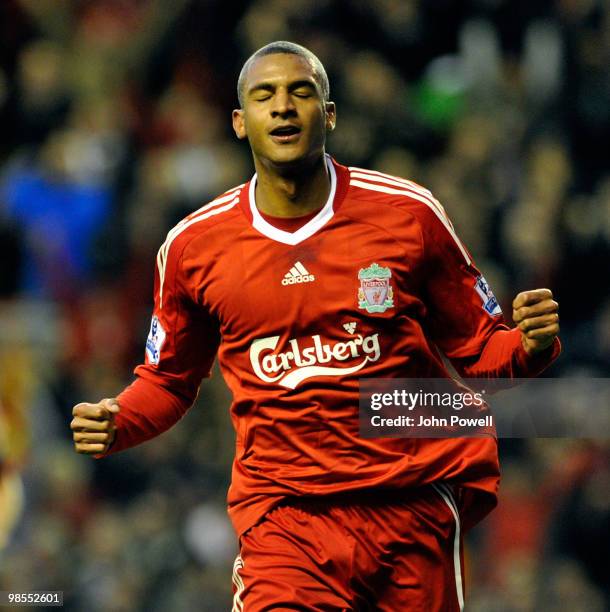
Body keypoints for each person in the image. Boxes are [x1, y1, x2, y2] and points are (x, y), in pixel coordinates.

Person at [70, 41, 561, 611]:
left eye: (300, 92)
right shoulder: (193, 248)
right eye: (264, 95)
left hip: (410, 505)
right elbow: (169, 379)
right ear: (239, 121)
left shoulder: (408, 214)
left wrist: (529, 345)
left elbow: (481, 350)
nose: (283, 106)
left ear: (328, 114)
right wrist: (120, 420)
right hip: (286, 522)